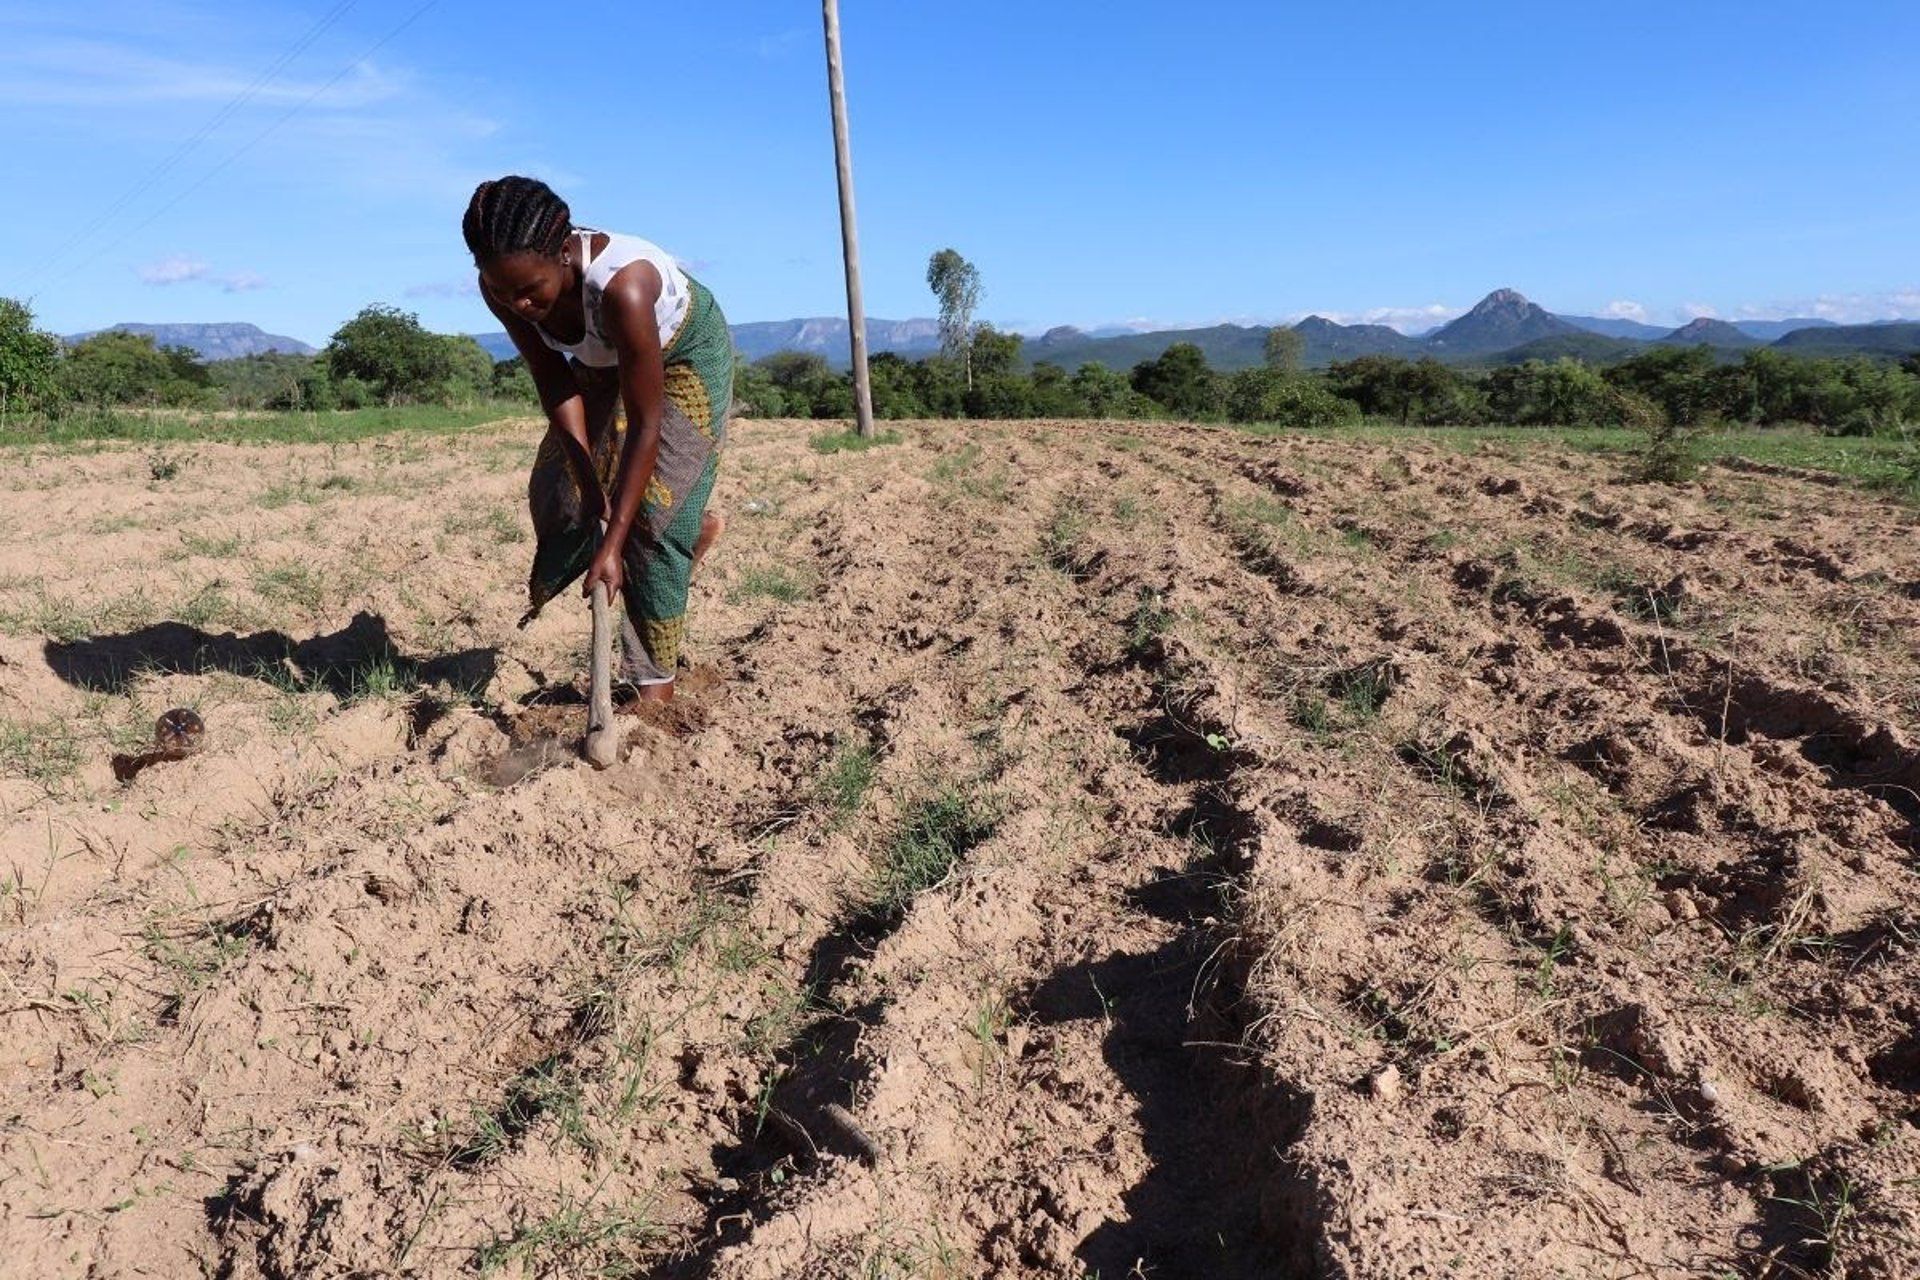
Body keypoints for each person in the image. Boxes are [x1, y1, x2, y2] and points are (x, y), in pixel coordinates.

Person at [462, 175, 730, 702]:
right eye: (500, 290)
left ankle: (654, 686)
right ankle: (674, 533)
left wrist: (612, 543)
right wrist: (588, 484)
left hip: (681, 357)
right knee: (560, 497)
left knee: (652, 525)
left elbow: (645, 424)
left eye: (529, 290)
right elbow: (552, 378)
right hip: (601, 362)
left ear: (564, 253)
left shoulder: (623, 288)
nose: (517, 304)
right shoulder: (502, 286)